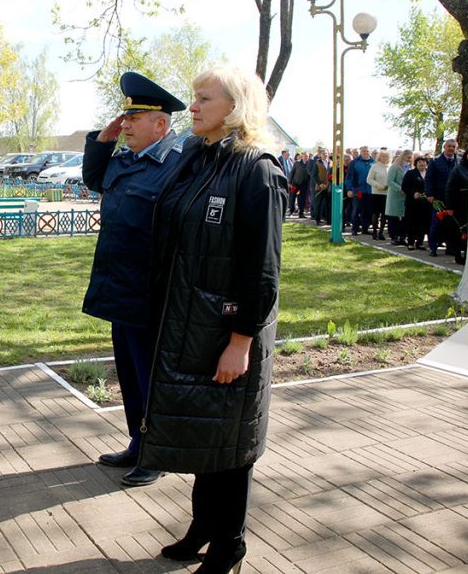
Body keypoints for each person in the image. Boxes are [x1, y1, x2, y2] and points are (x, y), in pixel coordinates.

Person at [144, 66, 286, 573]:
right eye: (194, 97)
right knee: (208, 437)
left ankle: (230, 546)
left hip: (228, 331)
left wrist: (241, 341)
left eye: (205, 98)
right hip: (189, 323)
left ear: (237, 106)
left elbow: (262, 272)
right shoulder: (198, 159)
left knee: (231, 442)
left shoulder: (258, 171)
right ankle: (203, 528)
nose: (194, 107)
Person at [81, 71, 186, 488]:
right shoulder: (125, 159)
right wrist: (104, 140)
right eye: (124, 118)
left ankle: (156, 451)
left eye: (134, 119)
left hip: (152, 291)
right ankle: (137, 442)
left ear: (160, 124)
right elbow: (94, 179)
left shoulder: (178, 164)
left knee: (150, 374)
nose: (125, 124)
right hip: (119, 285)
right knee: (128, 372)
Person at [424, 138, 458, 256]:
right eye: (449, 146)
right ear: (444, 147)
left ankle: (451, 247)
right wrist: (429, 194)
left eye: (453, 147)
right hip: (438, 197)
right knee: (436, 223)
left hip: (453, 199)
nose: (451, 149)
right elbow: (429, 179)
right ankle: (433, 248)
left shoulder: (457, 162)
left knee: (452, 224)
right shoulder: (435, 161)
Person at [444, 147, 468, 264]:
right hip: (459, 205)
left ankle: (467, 254)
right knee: (459, 231)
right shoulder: (458, 170)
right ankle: (457, 254)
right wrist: (449, 206)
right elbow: (450, 189)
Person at [402, 156, 431, 251]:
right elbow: (404, 187)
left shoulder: (429, 173)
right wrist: (413, 193)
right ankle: (410, 243)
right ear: (416, 164)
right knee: (412, 223)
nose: (422, 164)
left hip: (425, 203)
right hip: (413, 203)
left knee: (423, 223)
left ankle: (420, 242)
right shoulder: (411, 173)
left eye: (423, 162)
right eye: (420, 162)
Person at [385, 149, 411, 246]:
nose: (409, 159)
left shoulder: (409, 168)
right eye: (407, 157)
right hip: (395, 195)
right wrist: (400, 189)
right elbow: (390, 181)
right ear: (403, 156)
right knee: (394, 217)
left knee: (404, 217)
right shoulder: (394, 167)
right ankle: (394, 237)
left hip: (406, 195)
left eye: (410, 157)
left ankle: (402, 236)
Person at [347, 145, 374, 235]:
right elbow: (349, 177)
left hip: (370, 191)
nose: (366, 152)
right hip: (357, 190)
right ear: (360, 152)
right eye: (363, 151)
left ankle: (365, 228)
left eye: (367, 151)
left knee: (368, 211)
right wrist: (349, 189)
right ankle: (354, 229)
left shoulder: (373, 162)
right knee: (356, 211)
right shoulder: (354, 163)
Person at [366, 149, 390, 240]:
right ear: (379, 157)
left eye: (386, 156)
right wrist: (378, 185)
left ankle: (381, 232)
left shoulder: (389, 167)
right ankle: (375, 231)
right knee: (375, 213)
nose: (385, 158)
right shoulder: (374, 166)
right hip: (376, 193)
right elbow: (369, 179)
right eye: (383, 156)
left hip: (387, 193)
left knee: (385, 214)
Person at [288, 151, 310, 218]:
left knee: (302, 198)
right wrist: (289, 182)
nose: (306, 157)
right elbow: (292, 172)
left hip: (304, 184)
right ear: (302, 156)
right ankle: (291, 210)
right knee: (292, 196)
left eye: (307, 156)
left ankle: (301, 212)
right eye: (304, 156)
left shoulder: (309, 164)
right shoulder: (297, 163)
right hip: (294, 183)